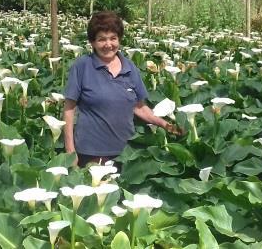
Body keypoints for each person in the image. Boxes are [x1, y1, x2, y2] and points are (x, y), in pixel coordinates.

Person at [63, 11, 181, 168]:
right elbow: (69, 110)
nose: (108, 44)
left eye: (113, 38)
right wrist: (70, 152)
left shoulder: (130, 67)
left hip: (127, 152)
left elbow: (139, 108)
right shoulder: (82, 66)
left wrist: (167, 125)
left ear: (119, 39)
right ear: (92, 42)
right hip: (92, 152)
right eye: (101, 39)